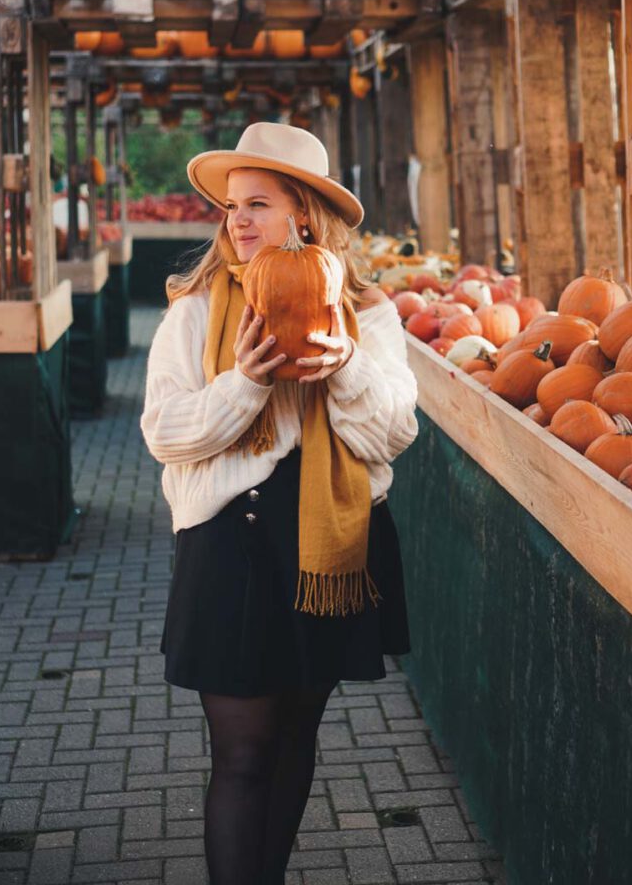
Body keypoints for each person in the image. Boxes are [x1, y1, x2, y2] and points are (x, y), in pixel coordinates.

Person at [140, 121, 419, 885]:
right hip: (233, 545)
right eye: (232, 206)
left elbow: (393, 432)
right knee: (240, 753)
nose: (238, 221)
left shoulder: (368, 313)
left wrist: (347, 367)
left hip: (330, 541)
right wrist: (248, 384)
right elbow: (164, 434)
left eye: (257, 203)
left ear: (304, 214)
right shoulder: (193, 310)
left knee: (297, 737)